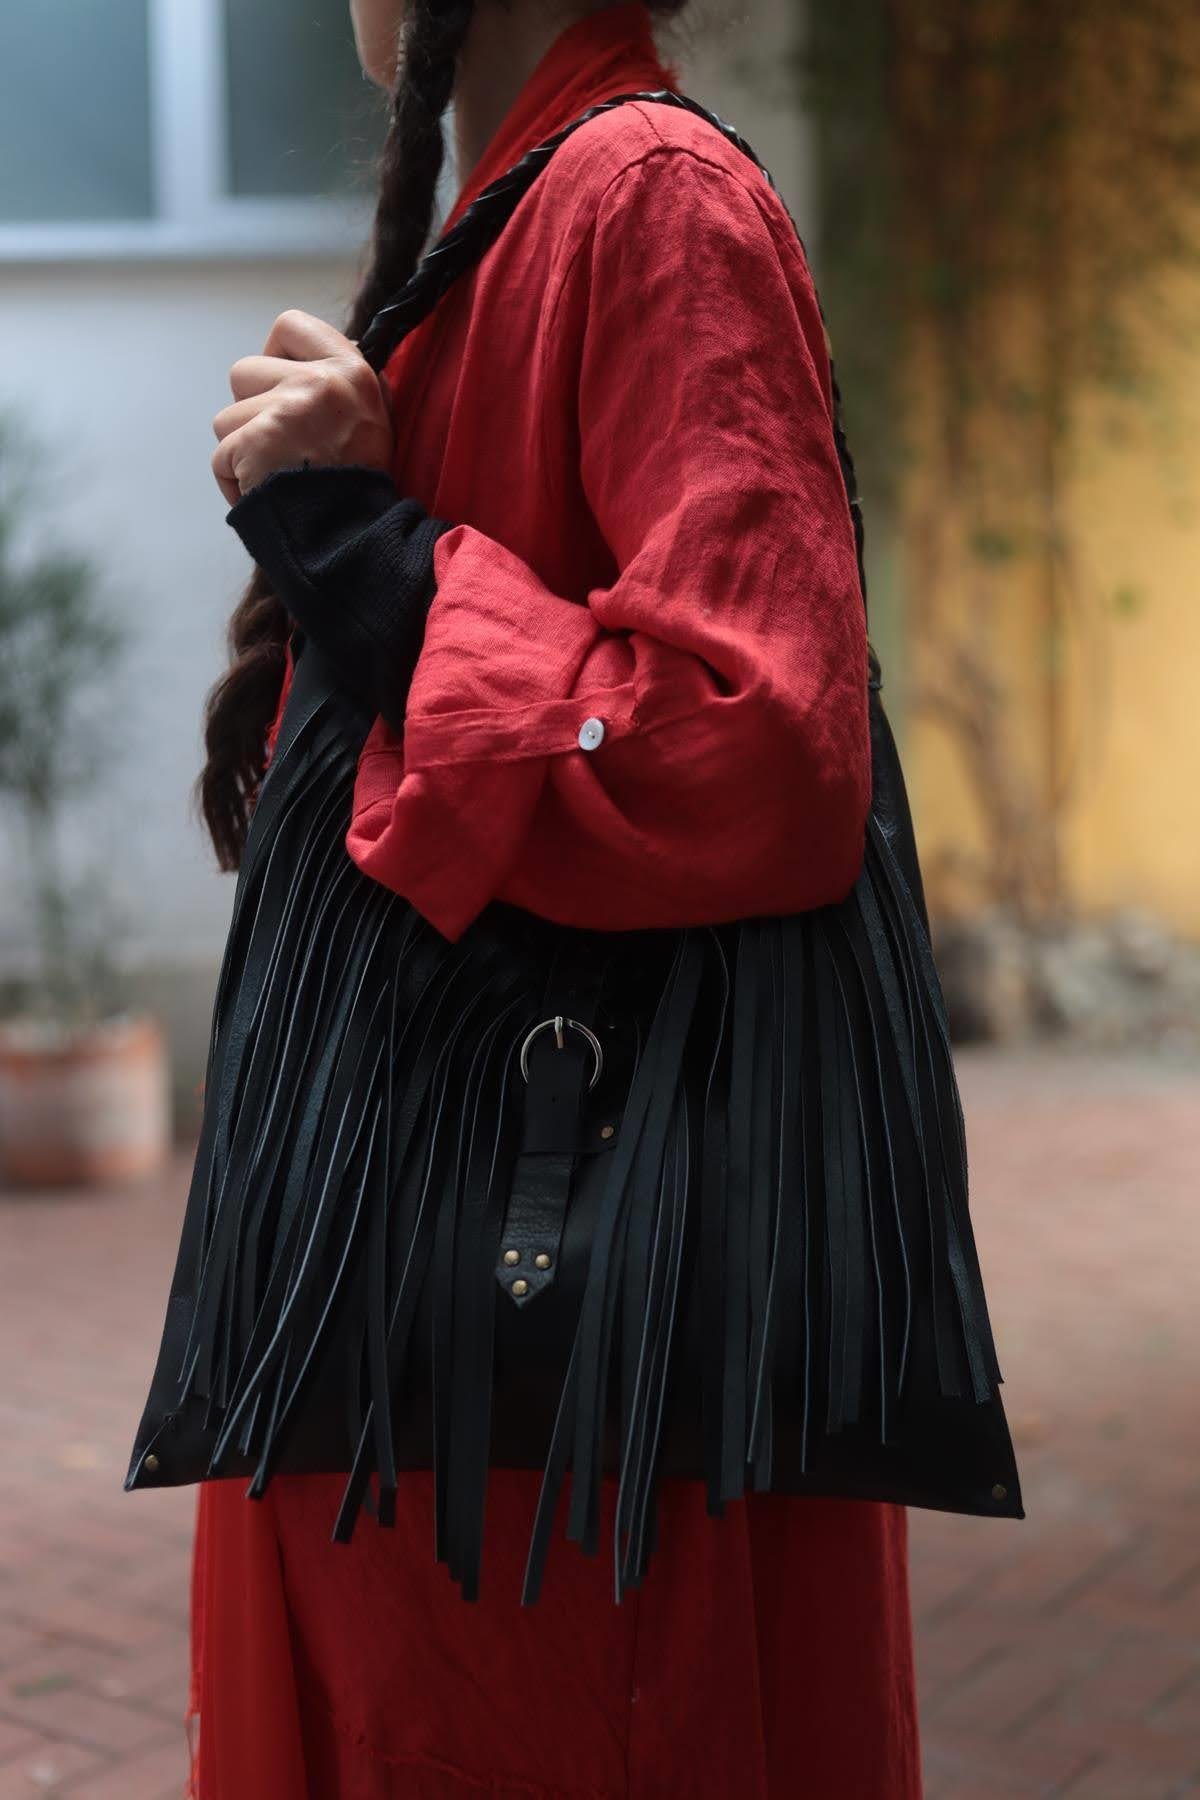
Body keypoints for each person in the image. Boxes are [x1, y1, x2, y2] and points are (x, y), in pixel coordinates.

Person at [190, 0, 923, 1792]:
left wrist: (369, 550)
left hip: (556, 1346)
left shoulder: (651, 196)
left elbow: (757, 746)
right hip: (445, 1296)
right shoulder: (525, 210)